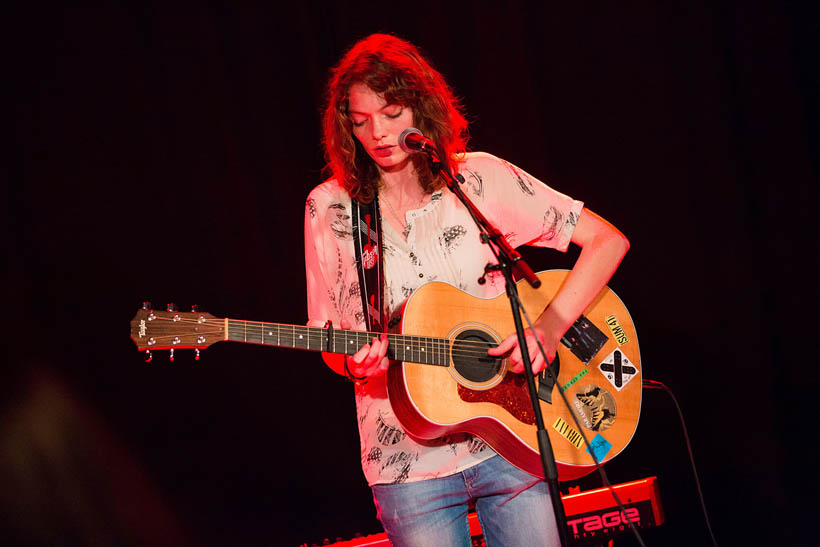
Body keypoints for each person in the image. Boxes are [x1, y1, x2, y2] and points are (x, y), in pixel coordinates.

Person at [305, 33, 629, 547]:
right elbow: (325, 330)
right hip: (405, 464)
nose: (377, 134)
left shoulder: (477, 179)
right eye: (361, 121)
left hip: (512, 436)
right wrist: (350, 361)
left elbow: (607, 241)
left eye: (391, 113)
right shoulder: (330, 207)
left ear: (421, 106)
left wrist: (547, 328)